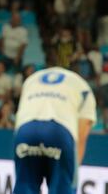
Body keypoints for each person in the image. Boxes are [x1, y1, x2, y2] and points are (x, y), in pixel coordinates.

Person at [14, 56, 97, 193]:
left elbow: (20, 117)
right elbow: (81, 136)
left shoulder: (32, 79)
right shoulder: (82, 86)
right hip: (59, 131)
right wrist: (72, 171)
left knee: (25, 186)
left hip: (25, 131)